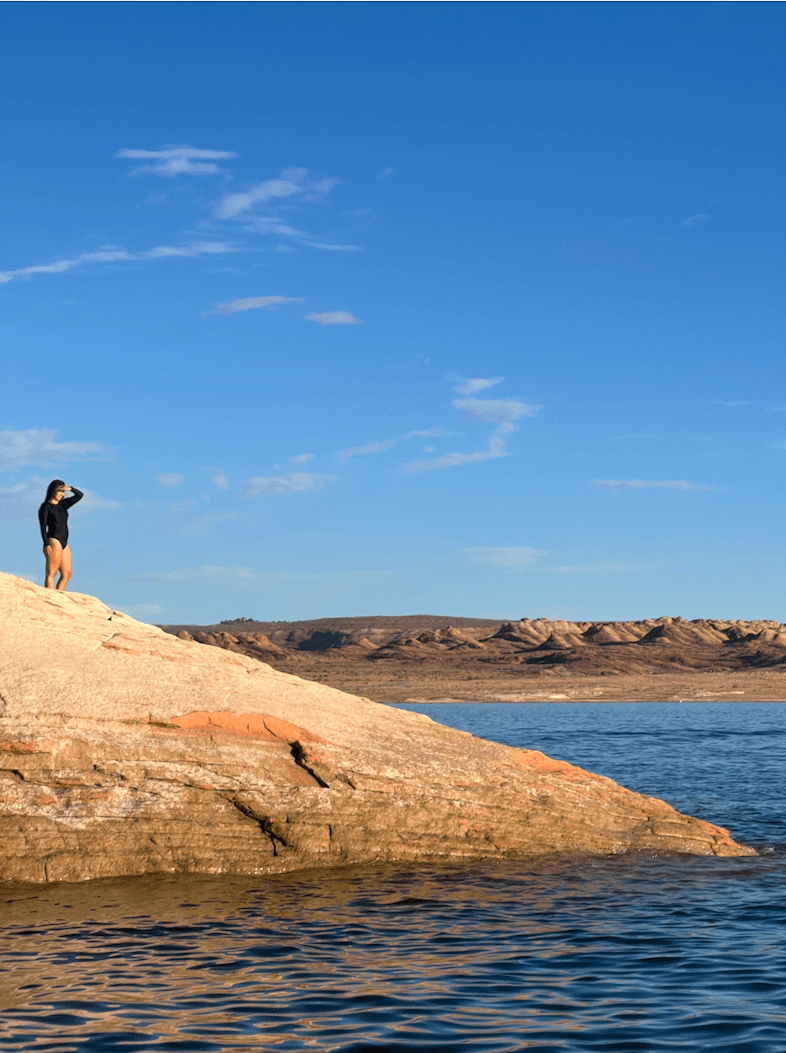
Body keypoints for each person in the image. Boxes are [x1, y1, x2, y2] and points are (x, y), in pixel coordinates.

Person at [38, 479, 83, 590]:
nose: (61, 494)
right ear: (53, 491)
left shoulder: (63, 504)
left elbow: (79, 495)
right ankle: (48, 597)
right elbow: (43, 526)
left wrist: (69, 488)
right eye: (59, 491)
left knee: (67, 573)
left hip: (64, 542)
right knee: (52, 572)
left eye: (63, 492)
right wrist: (46, 544)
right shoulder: (46, 507)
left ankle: (59, 597)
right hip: (53, 540)